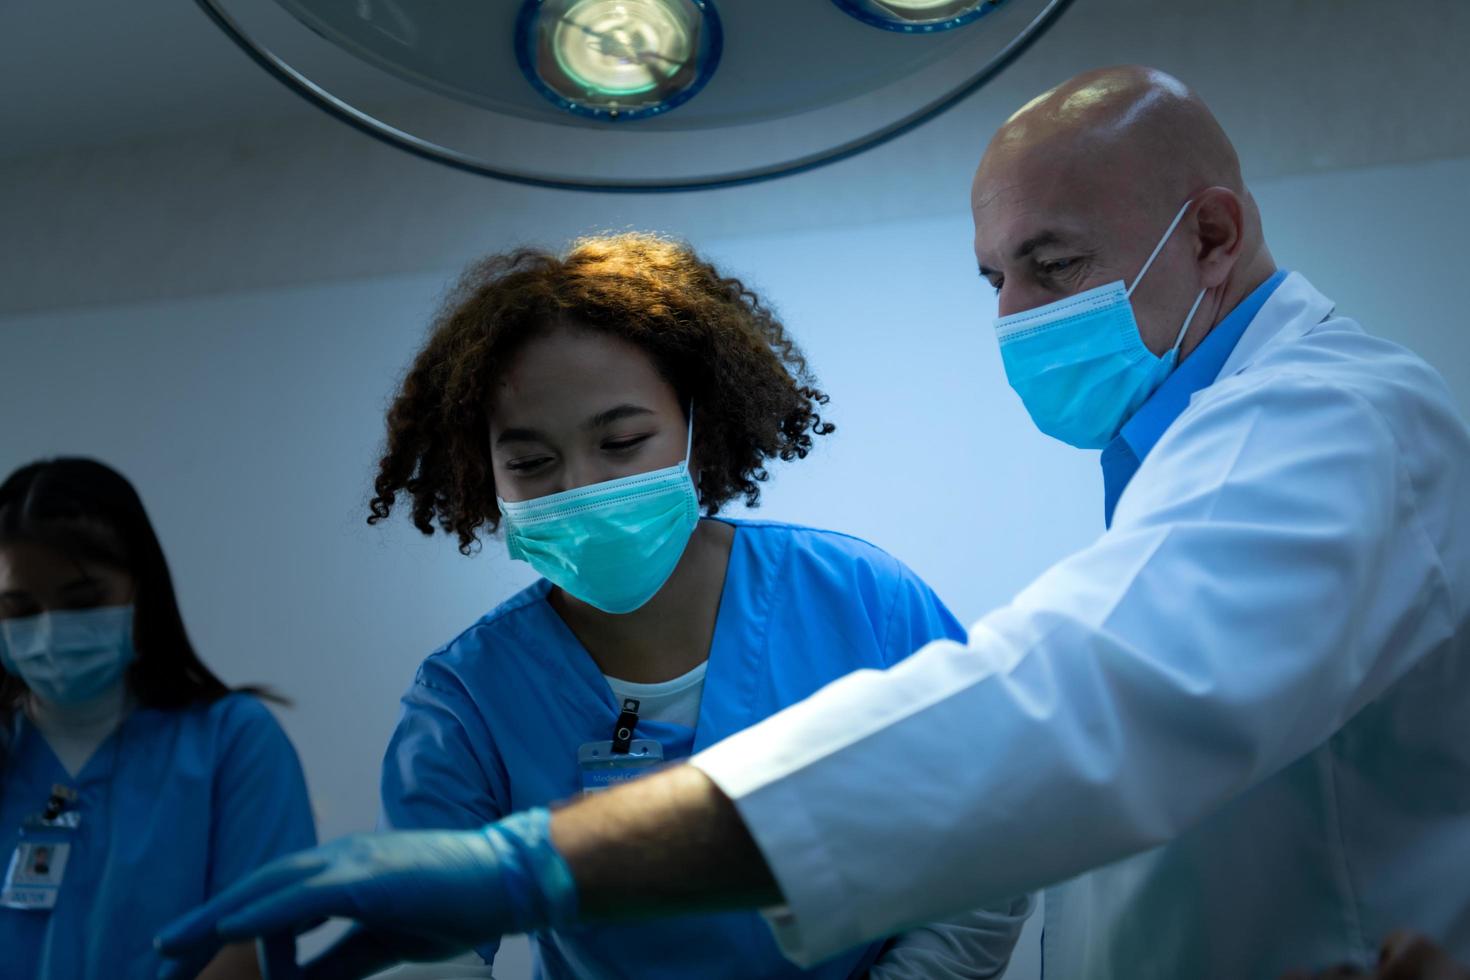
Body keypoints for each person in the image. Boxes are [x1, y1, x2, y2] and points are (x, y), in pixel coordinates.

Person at [156, 65, 1470, 980]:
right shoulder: (471, 691)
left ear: (1215, 235)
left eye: (1052, 264)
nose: (1013, 313)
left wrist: (534, 864)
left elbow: (1059, 714)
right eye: (994, 276)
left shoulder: (1328, 425)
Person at [294, 233, 1030, 979]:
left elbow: (989, 843)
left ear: (696, 432)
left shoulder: (859, 600)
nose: (578, 486)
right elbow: (427, 953)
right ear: (482, 474)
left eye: (620, 442)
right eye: (531, 463)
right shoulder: (467, 700)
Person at [0, 458, 317, 979]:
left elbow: (245, 953)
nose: (50, 629)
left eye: (83, 600)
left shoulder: (232, 742)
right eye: (19, 608)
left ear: (142, 590)